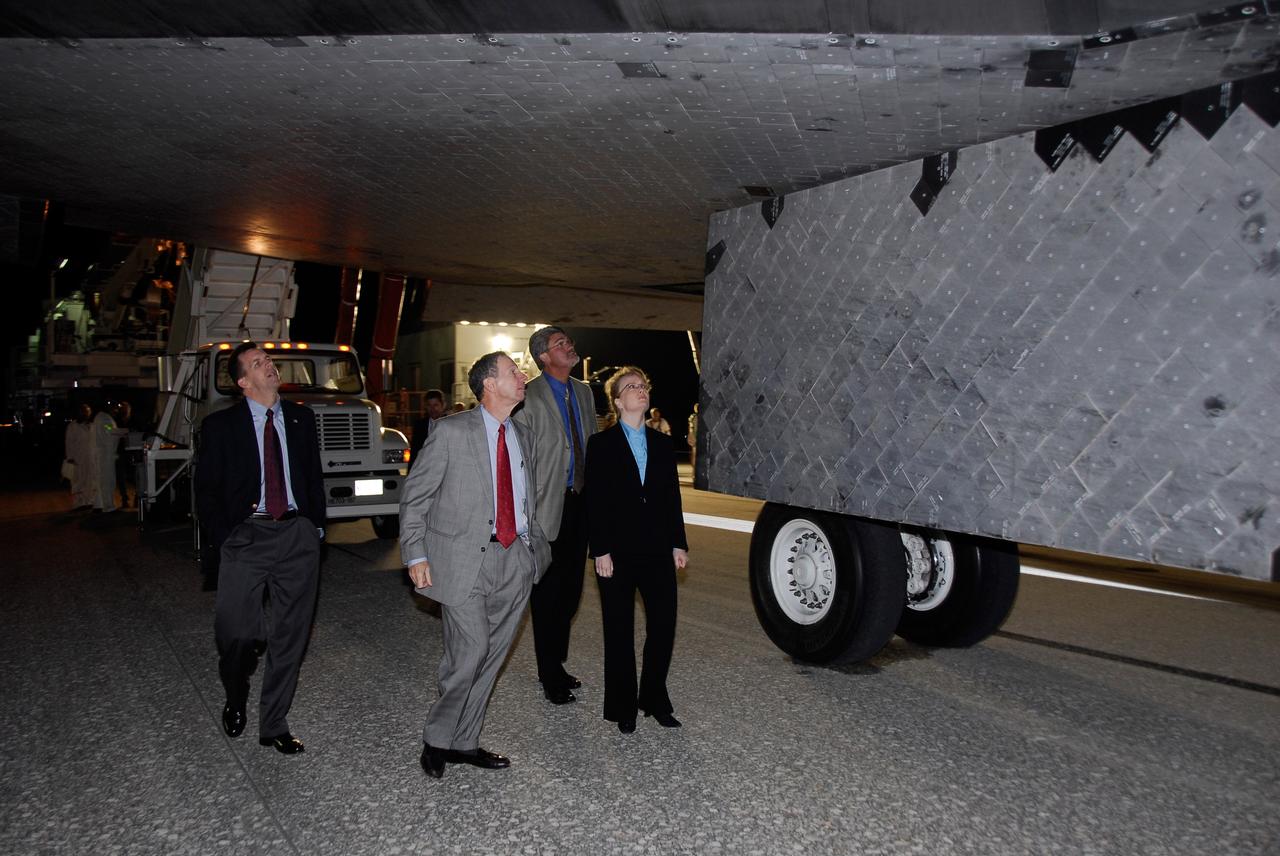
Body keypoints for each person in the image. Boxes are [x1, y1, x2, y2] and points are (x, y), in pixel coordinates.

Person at [400, 351, 551, 779]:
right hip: (464, 558)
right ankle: (437, 736)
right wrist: (415, 552)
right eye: (513, 372)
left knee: (493, 654)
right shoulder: (451, 432)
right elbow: (416, 496)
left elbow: (527, 497)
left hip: (515, 558)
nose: (523, 377)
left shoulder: (524, 434)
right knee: (470, 651)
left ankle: (464, 741)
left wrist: (533, 549)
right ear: (488, 384)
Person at [195, 342, 326, 755]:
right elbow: (206, 491)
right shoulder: (220, 426)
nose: (269, 366)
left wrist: (315, 527)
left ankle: (274, 724)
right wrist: (226, 536)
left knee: (290, 635)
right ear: (243, 382)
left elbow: (313, 478)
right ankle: (236, 695)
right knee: (236, 633)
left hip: (296, 535)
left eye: (268, 360)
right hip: (246, 536)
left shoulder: (302, 420)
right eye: (258, 363)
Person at [584, 367, 689, 734]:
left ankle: (655, 699)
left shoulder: (661, 445)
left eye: (643, 386)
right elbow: (594, 502)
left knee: (663, 627)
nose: (640, 391)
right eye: (631, 387)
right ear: (617, 400)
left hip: (658, 550)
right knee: (619, 630)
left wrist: (678, 542)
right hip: (617, 552)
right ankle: (623, 706)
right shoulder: (601, 444)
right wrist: (601, 551)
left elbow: (671, 499)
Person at [513, 326, 597, 705]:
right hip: (546, 509)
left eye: (568, 341)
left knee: (572, 594)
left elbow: (591, 446)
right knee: (546, 595)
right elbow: (520, 461)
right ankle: (549, 674)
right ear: (544, 357)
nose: (569, 346)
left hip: (580, 505)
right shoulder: (526, 396)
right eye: (560, 344)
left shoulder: (583, 392)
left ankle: (557, 664)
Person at [90, 403, 119, 512]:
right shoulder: (104, 419)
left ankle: (100, 504)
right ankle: (108, 506)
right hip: (106, 454)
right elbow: (109, 434)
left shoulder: (100, 418)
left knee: (101, 480)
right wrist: (119, 433)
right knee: (107, 480)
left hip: (103, 454)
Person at [64, 403, 95, 509]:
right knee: (77, 481)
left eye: (88, 412)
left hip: (90, 457)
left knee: (89, 480)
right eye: (84, 412)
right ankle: (78, 503)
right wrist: (70, 457)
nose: (86, 414)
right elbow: (69, 442)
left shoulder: (91, 425)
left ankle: (89, 501)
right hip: (77, 458)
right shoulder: (73, 426)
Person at [409, 389, 447, 464]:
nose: (432, 409)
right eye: (429, 405)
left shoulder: (452, 425)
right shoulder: (419, 426)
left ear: (443, 405)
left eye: (436, 405)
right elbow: (415, 452)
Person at [113, 400, 135, 508]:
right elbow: (110, 430)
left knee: (135, 476)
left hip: (132, 452)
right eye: (122, 408)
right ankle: (124, 498)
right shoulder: (115, 420)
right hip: (120, 451)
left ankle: (136, 497)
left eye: (126, 408)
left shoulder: (133, 420)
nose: (124, 410)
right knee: (121, 476)